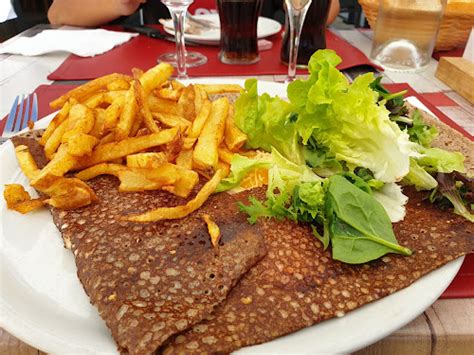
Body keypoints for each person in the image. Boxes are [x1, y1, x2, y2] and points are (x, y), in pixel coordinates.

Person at [48, 0, 340, 27]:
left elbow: (332, 9)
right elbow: (58, 13)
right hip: (166, 72)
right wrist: (120, 4)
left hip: (257, 68)